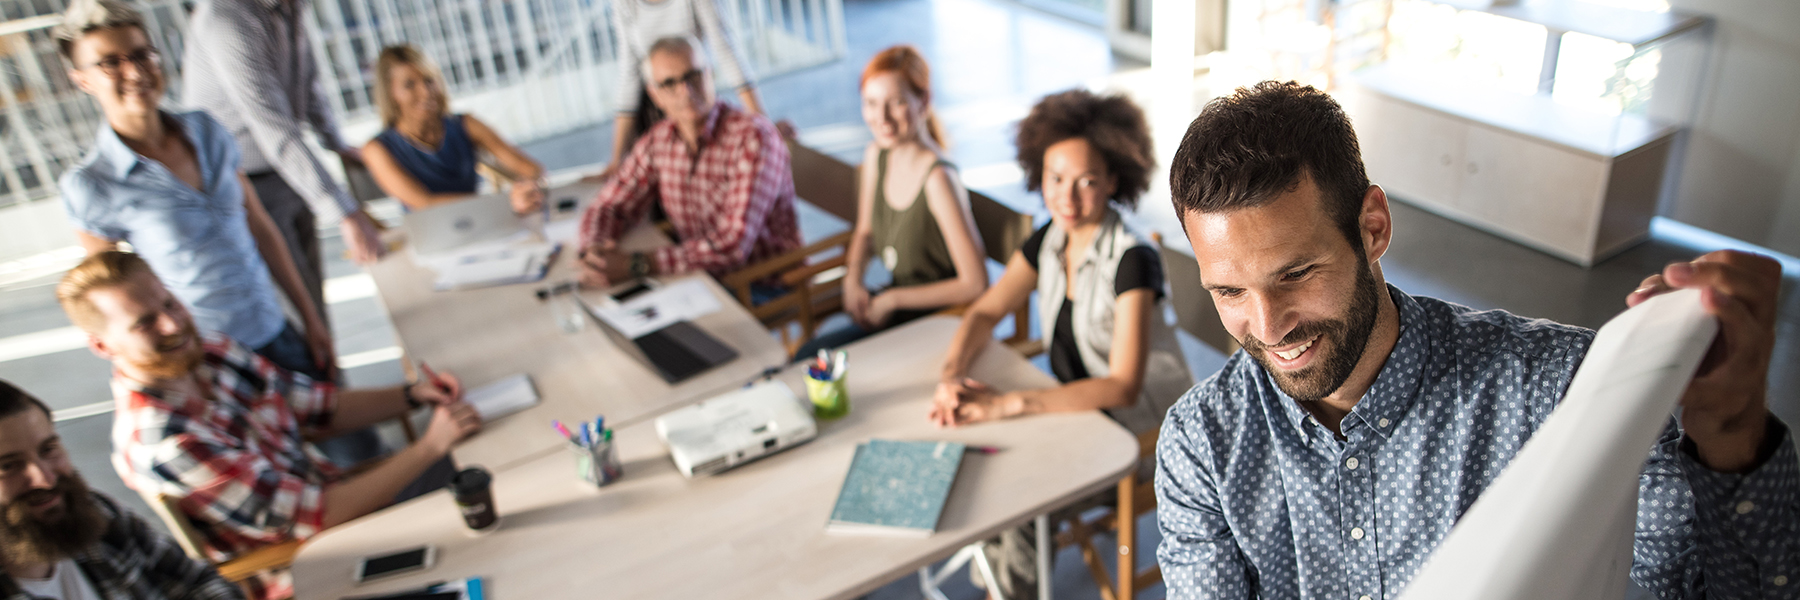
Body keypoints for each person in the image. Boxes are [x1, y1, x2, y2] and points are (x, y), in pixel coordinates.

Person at [1155, 81, 1795, 598]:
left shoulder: (1563, 392)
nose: (1268, 328)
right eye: (1229, 292)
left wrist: (1732, 439)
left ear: (1373, 228)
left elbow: (1689, 588)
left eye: (1296, 274)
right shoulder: (1201, 443)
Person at [56, 251, 482, 600]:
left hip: (343, 502)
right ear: (102, 345)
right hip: (314, 564)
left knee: (489, 464)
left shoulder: (211, 351)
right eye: (145, 322)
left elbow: (315, 407)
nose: (172, 324)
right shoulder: (166, 441)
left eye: (168, 303)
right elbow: (317, 517)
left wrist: (411, 396)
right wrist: (429, 446)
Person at [929, 89, 1193, 597]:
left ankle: (1007, 588)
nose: (1067, 199)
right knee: (985, 474)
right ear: (1038, 175)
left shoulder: (1134, 260)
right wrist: (951, 374)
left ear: (1114, 180)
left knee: (1021, 507)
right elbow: (985, 310)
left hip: (1141, 434)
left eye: (1087, 182)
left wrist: (1010, 404)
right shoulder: (1050, 238)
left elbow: (1121, 386)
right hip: (1081, 414)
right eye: (1055, 180)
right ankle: (1003, 584)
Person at [53, 0, 334, 384]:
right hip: (205, 358)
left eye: (141, 54)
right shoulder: (92, 185)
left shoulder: (207, 131)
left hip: (274, 327)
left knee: (352, 441)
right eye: (110, 63)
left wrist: (310, 318)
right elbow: (114, 306)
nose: (134, 71)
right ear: (82, 80)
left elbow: (259, 226)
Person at [182, 0, 387, 324]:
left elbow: (307, 83)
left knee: (314, 301)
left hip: (287, 170)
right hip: (245, 183)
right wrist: (345, 212)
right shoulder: (225, 16)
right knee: (297, 310)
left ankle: (329, 373)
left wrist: (336, 142)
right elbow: (271, 122)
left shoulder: (290, 7)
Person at [798, 45, 987, 357]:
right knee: (810, 359)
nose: (881, 117)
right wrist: (853, 277)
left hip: (937, 324)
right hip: (895, 315)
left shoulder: (938, 179)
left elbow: (975, 283)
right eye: (871, 103)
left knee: (814, 361)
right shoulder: (877, 155)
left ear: (924, 101)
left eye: (896, 102)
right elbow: (865, 231)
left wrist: (894, 299)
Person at [577, 36, 800, 291]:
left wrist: (636, 264)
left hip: (760, 283)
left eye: (693, 76)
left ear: (709, 75)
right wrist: (594, 250)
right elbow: (610, 205)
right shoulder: (659, 139)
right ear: (655, 95)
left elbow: (733, 246)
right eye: (669, 83)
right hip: (699, 277)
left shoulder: (754, 138)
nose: (685, 91)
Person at [0, 379, 245, 600]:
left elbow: (197, 582)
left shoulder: (95, 514)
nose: (45, 479)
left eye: (48, 449)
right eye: (8, 466)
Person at [597, 0, 790, 180]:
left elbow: (727, 50)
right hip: (654, 113)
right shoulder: (624, 3)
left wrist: (765, 129)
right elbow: (629, 73)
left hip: (695, 105)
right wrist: (617, 158)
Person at [361, 44, 547, 214]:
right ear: (390, 93)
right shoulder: (377, 150)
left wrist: (526, 188)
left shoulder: (466, 124)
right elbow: (426, 203)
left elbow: (530, 169)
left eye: (429, 80)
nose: (425, 92)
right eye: (410, 85)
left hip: (485, 223)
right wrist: (505, 202)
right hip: (433, 242)